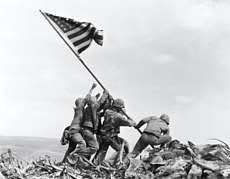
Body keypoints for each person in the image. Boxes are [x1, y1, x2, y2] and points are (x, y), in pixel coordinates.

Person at [92, 98, 136, 165]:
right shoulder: (118, 117)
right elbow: (132, 123)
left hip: (105, 134)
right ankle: (108, 163)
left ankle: (95, 163)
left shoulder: (107, 111)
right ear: (119, 108)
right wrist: (128, 118)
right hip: (110, 136)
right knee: (121, 151)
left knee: (103, 150)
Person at [61, 84, 96, 163]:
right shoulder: (80, 109)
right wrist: (92, 88)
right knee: (82, 143)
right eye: (82, 101)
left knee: (71, 148)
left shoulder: (79, 110)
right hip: (75, 131)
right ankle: (71, 157)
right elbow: (87, 98)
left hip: (73, 131)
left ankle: (63, 162)